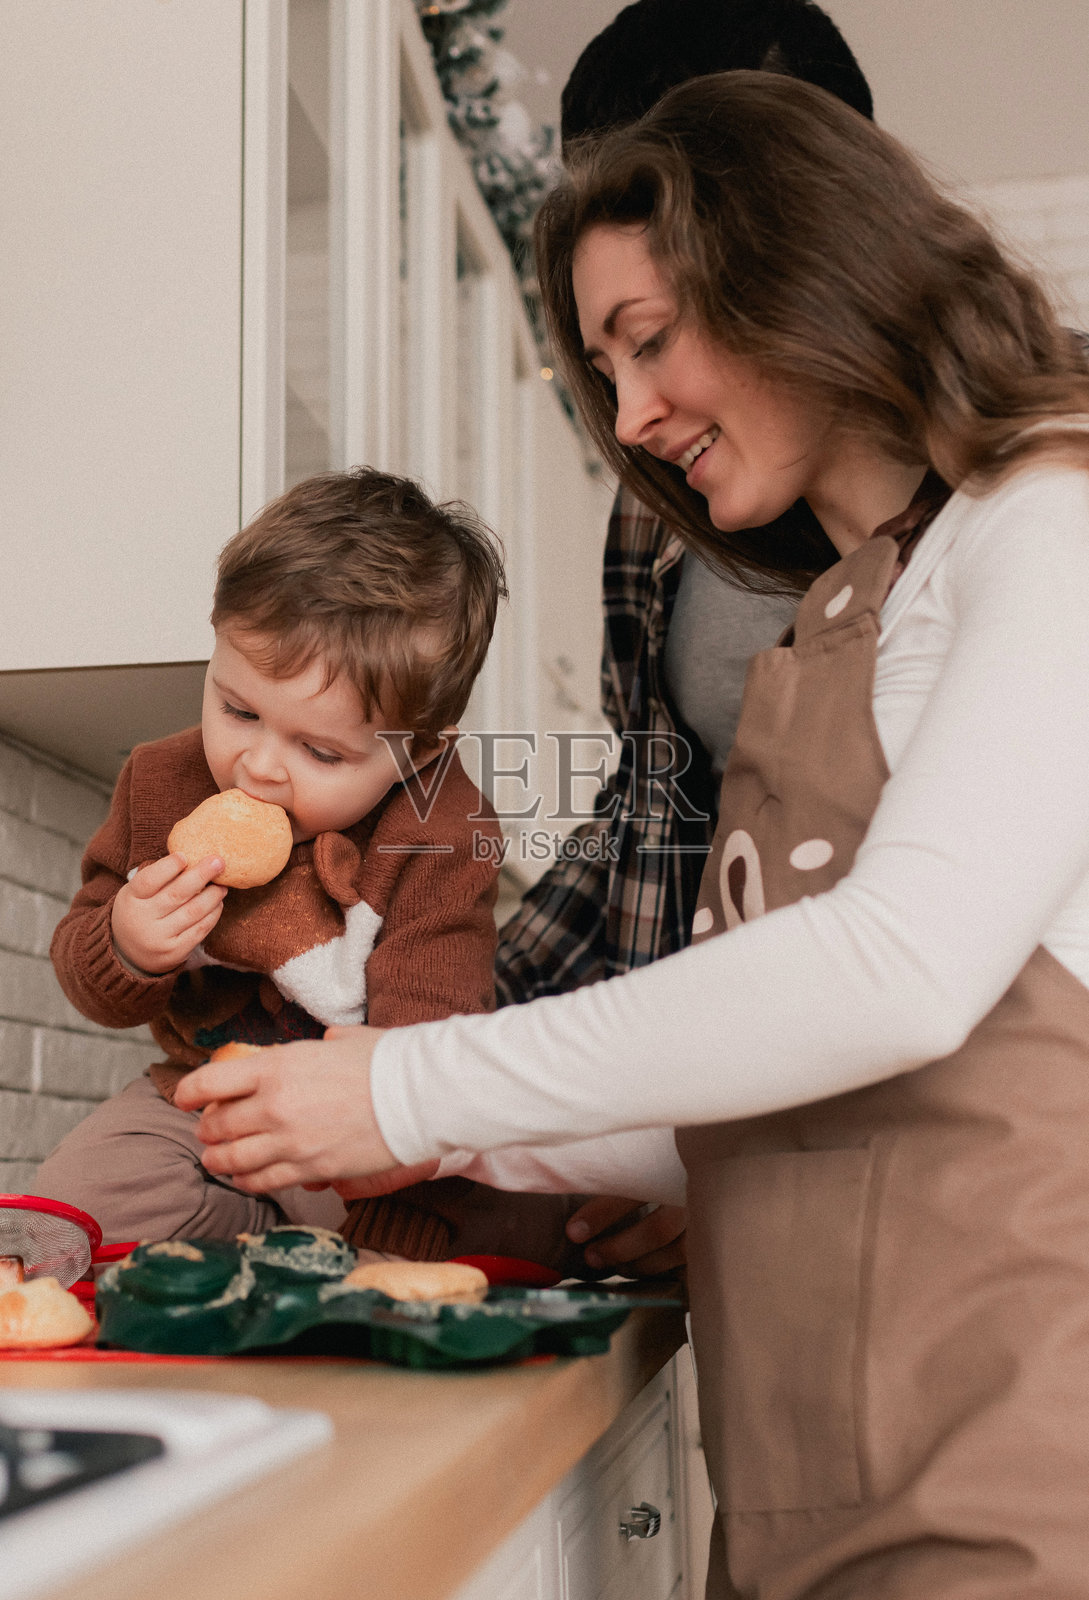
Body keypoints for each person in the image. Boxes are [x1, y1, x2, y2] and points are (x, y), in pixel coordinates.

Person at [178, 72, 1089, 1596]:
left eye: (649, 341)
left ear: (806, 265)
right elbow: (809, 1101)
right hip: (814, 1473)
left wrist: (412, 1085)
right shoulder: (842, 616)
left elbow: (902, 976)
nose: (634, 420)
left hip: (1009, 1465)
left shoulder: (1048, 526)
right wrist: (399, 1109)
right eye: (603, 372)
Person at [38, 467, 558, 1260]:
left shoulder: (441, 828)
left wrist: (384, 1189)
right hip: (202, 1107)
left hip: (367, 1123)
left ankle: (324, 1249)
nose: (258, 767)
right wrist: (126, 944)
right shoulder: (158, 782)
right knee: (59, 1225)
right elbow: (85, 972)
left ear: (415, 753)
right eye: (237, 709)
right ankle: (250, 1231)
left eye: (319, 750)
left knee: (500, 1223)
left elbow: (428, 1038)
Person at [495, 0, 870, 1007]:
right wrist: (449, 1016)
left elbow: (916, 953)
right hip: (736, 1109)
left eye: (653, 330)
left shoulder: (1041, 473)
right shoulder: (664, 500)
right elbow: (652, 807)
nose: (630, 422)